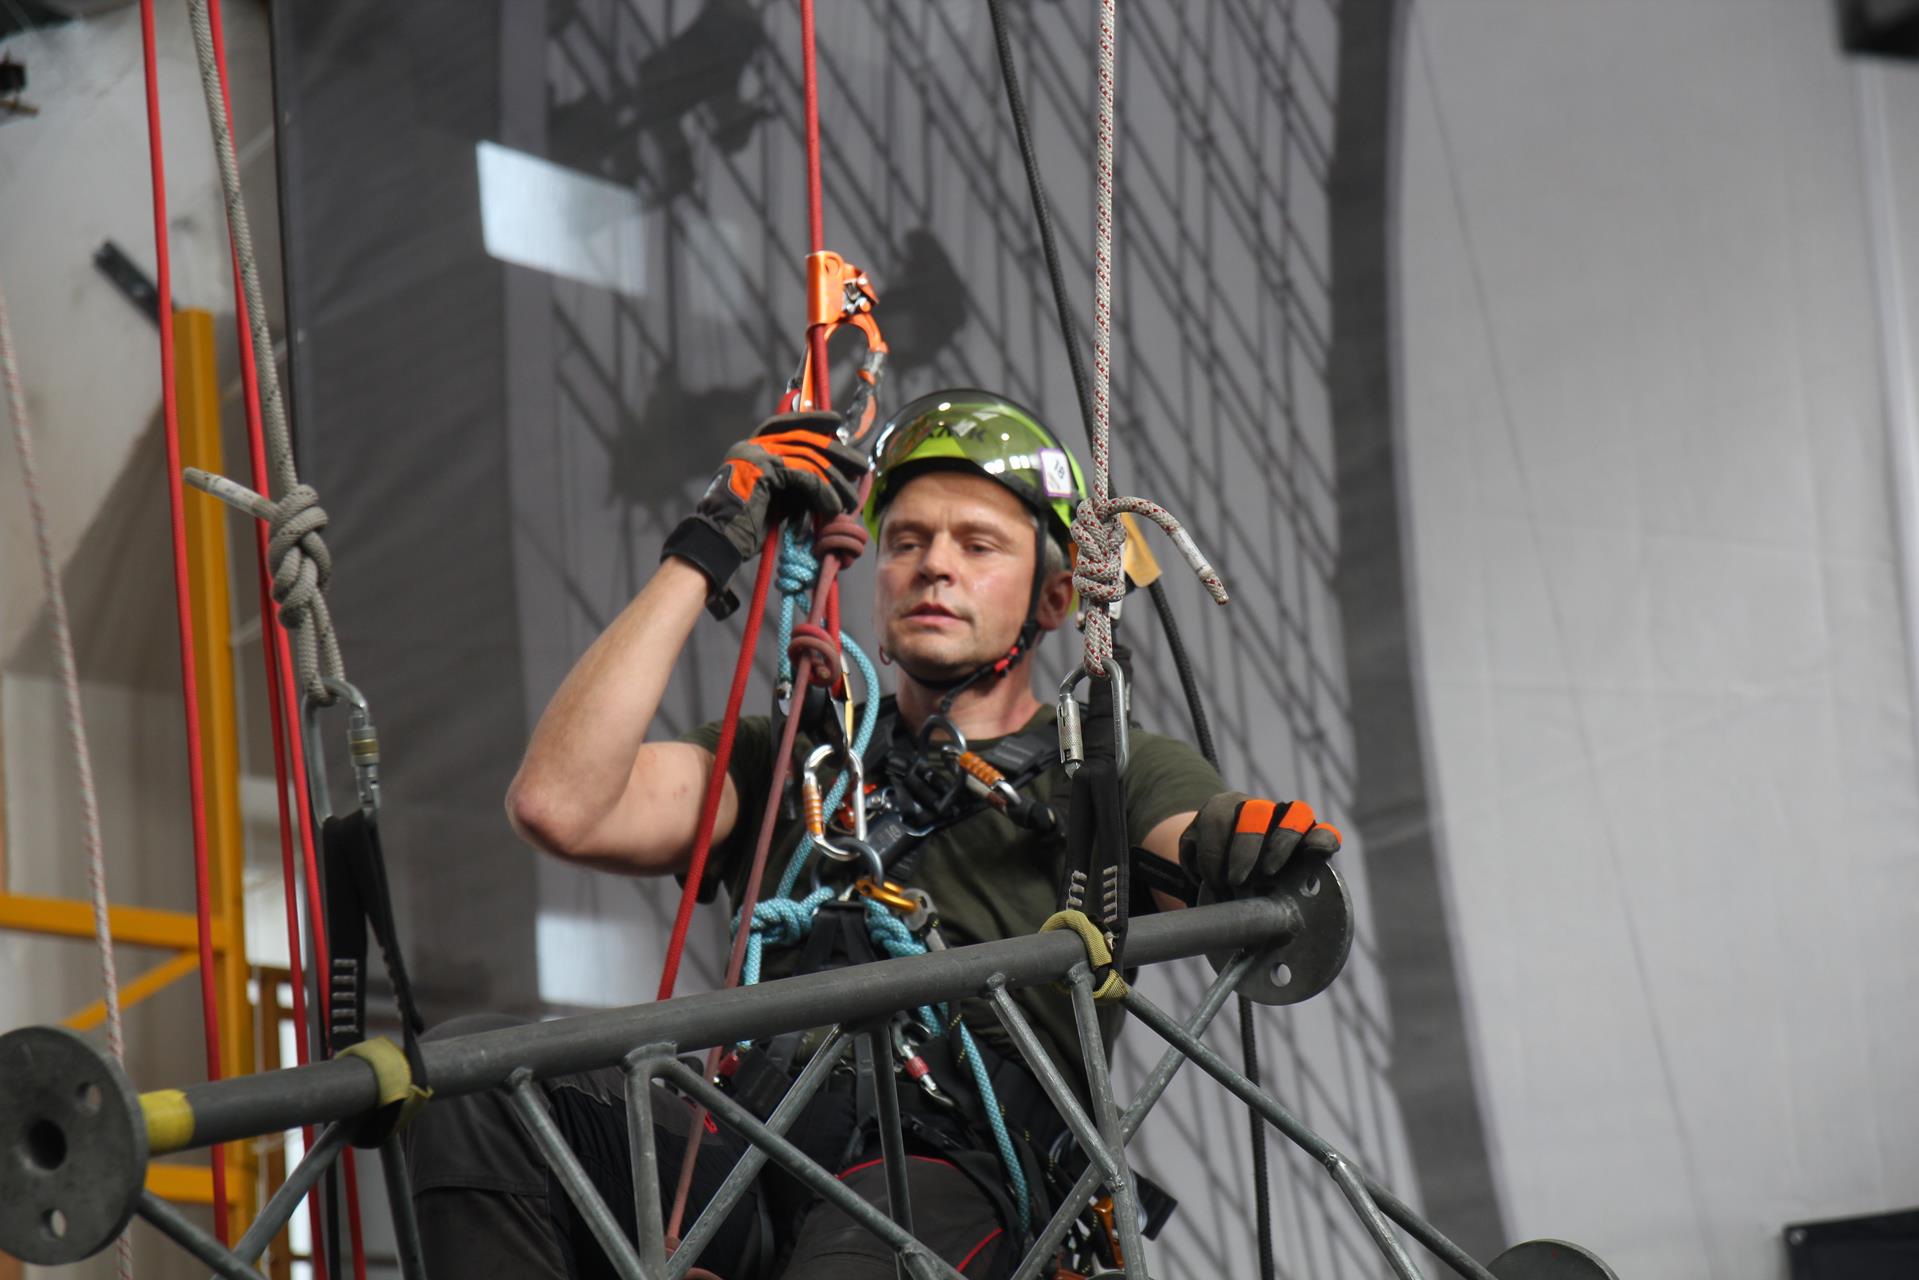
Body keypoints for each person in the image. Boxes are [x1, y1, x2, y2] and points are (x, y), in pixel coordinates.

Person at [403, 390, 1342, 1279]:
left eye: (978, 544)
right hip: (747, 1136)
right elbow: (559, 803)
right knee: (483, 1077)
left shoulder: (1103, 772)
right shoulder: (793, 759)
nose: (934, 564)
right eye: (907, 541)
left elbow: (1190, 842)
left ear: (1054, 600)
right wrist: (705, 548)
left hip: (947, 1163)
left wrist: (1235, 843)